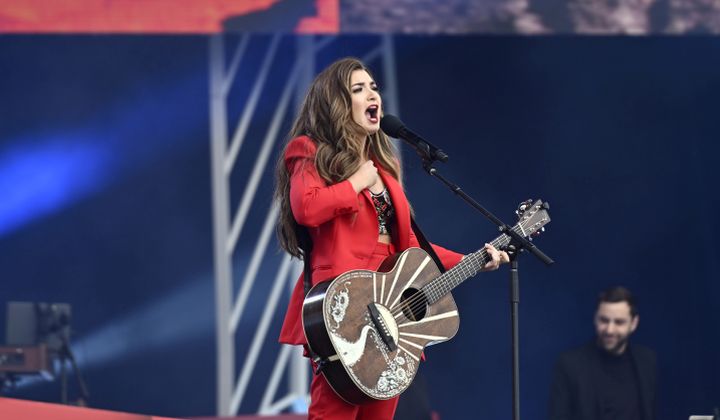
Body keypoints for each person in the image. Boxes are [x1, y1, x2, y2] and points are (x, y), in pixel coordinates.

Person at [274, 57, 509, 420]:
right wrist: (356, 183)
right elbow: (307, 208)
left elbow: (412, 249)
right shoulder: (310, 150)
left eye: (374, 87)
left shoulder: (384, 167)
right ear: (337, 104)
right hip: (346, 306)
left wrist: (473, 260)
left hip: (390, 312)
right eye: (358, 89)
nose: (373, 95)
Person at [549, 286, 657, 420]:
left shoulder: (646, 361)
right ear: (595, 318)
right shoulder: (570, 364)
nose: (609, 330)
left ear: (633, 323)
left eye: (619, 322)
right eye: (604, 320)